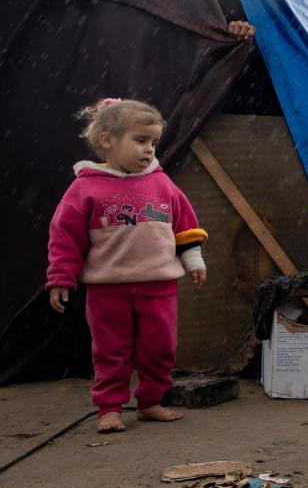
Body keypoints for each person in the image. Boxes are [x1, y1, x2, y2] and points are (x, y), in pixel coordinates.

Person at [46, 99, 208, 433]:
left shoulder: (162, 184)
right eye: (140, 140)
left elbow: (185, 226)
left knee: (160, 347)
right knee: (110, 350)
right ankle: (109, 407)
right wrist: (61, 276)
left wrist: (193, 260)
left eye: (153, 142)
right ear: (107, 141)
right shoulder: (85, 188)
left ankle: (150, 401)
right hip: (108, 289)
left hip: (159, 285)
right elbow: (65, 238)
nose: (149, 150)